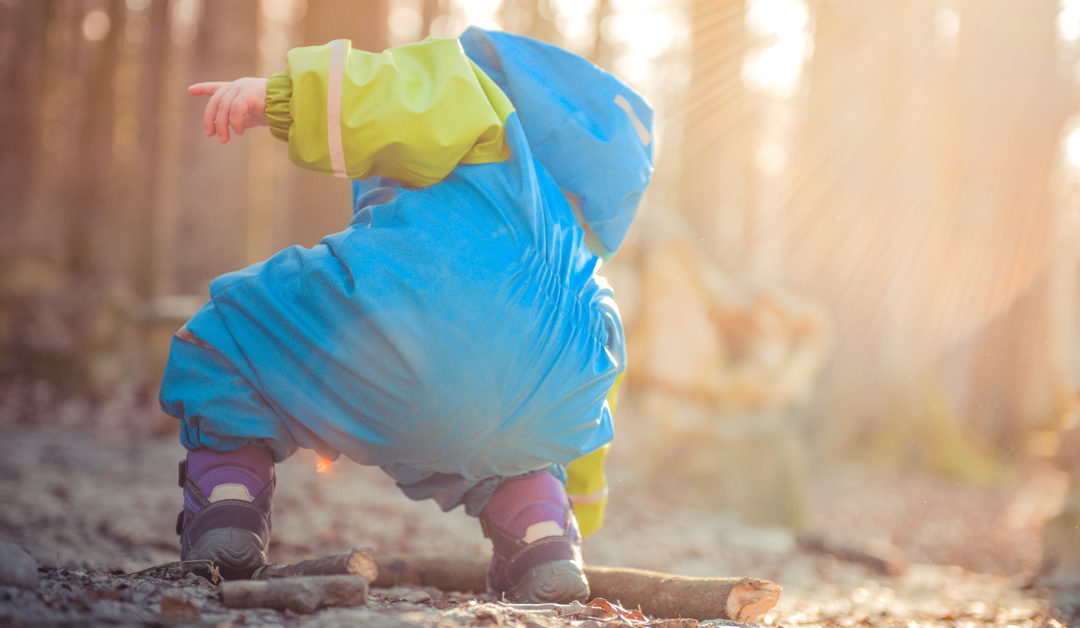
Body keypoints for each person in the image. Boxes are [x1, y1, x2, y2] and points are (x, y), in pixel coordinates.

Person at [161, 26, 654, 604]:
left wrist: (278, 98)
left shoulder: (487, 117)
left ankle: (228, 506)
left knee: (231, 337)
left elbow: (400, 94)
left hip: (407, 337)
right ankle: (542, 536)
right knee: (518, 447)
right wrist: (582, 509)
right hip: (531, 415)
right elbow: (594, 408)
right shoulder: (587, 279)